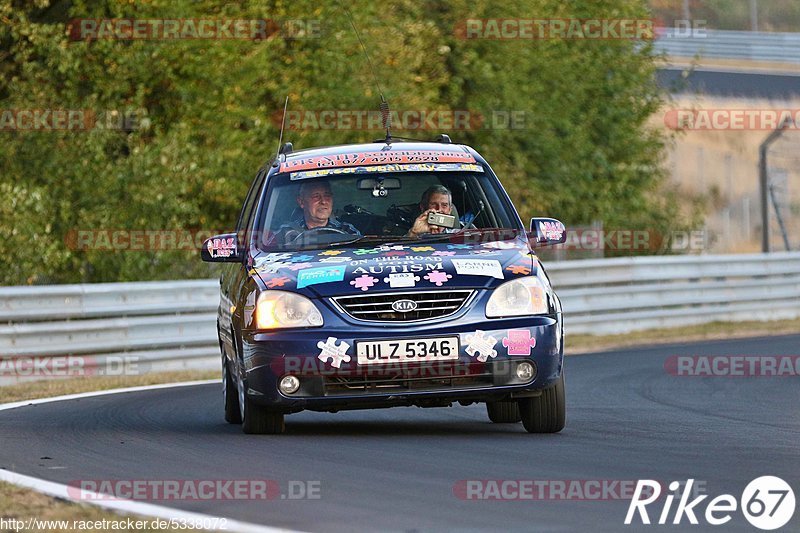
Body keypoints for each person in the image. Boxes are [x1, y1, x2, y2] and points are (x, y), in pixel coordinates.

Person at [277, 181, 360, 242]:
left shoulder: (348, 231)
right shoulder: (284, 233)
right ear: (301, 202)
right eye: (316, 196)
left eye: (327, 195)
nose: (323, 201)